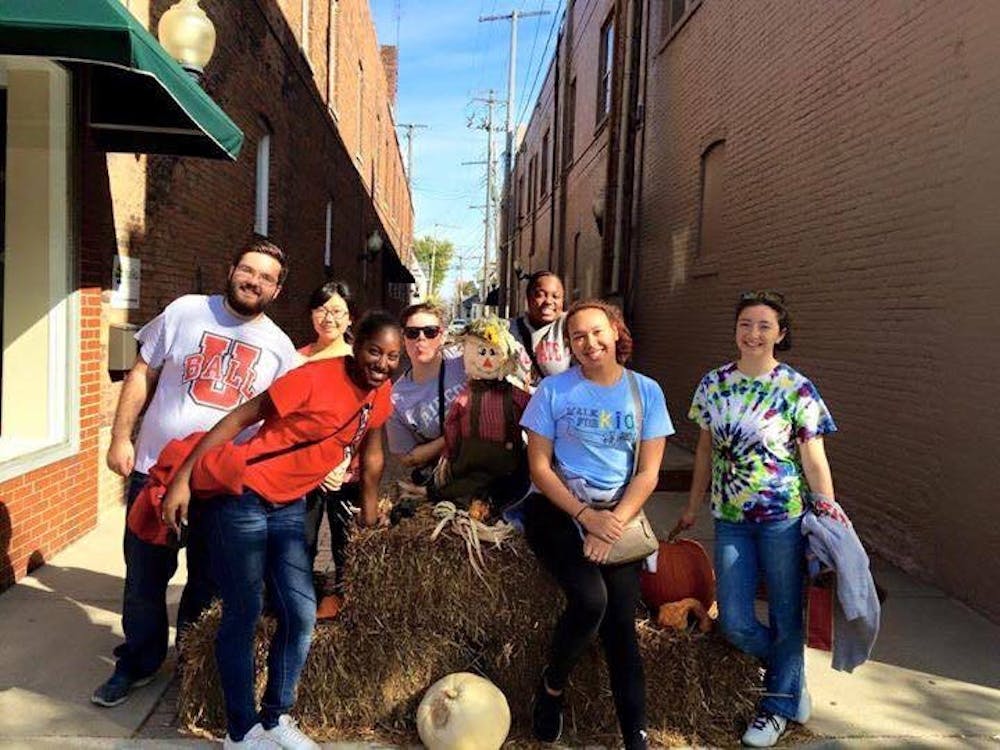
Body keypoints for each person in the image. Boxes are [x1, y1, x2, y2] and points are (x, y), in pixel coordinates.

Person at [160, 311, 401, 750]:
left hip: (289, 504)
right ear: (355, 344)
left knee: (301, 610)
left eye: (392, 356)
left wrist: (369, 516)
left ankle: (275, 717)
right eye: (374, 351)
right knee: (245, 610)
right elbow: (237, 419)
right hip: (245, 496)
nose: (382, 364)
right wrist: (183, 479)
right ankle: (240, 730)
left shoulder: (379, 391)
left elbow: (373, 455)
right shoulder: (312, 378)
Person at [92, 240, 299, 708]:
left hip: (219, 486)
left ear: (277, 290)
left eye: (266, 277)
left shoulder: (281, 349)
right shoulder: (185, 311)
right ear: (231, 269)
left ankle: (190, 666)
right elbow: (142, 372)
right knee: (144, 578)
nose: (254, 281)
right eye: (248, 270)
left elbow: (279, 425)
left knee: (207, 583)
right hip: (155, 472)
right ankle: (138, 662)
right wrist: (120, 437)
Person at [676, 290, 837, 748]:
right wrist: (692, 504)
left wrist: (828, 514)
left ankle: (777, 706)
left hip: (783, 518)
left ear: (780, 334)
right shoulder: (714, 384)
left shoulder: (796, 388)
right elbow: (704, 450)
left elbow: (814, 460)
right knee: (735, 621)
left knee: (786, 613)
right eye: (745, 324)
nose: (753, 333)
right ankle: (790, 679)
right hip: (730, 518)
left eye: (764, 326)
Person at [519, 299, 674, 750]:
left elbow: (648, 473)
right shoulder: (553, 392)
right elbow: (540, 468)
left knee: (621, 627)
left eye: (597, 332)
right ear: (569, 345)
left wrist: (611, 524)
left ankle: (635, 738)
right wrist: (586, 517)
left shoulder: (646, 391)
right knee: (591, 600)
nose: (589, 343)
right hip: (559, 510)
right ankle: (551, 690)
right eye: (578, 337)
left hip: (617, 514)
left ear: (615, 331)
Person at [297, 281, 368, 620]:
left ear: (350, 317)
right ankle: (300, 604)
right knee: (301, 542)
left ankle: (345, 605)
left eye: (337, 311)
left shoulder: (359, 362)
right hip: (303, 473)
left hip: (346, 473)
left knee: (346, 544)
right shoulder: (296, 359)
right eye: (322, 309)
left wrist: (342, 459)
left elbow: (367, 418)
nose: (329, 318)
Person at [386, 303, 466, 484]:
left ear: (442, 336)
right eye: (412, 333)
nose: (421, 338)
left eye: (430, 332)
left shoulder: (465, 362)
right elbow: (407, 457)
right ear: (403, 338)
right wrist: (450, 437)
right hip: (446, 477)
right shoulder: (396, 398)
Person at [508, 270, 572, 386]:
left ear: (562, 301)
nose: (548, 301)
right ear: (528, 298)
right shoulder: (508, 330)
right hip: (517, 397)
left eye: (556, 296)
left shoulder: (570, 326)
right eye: (540, 295)